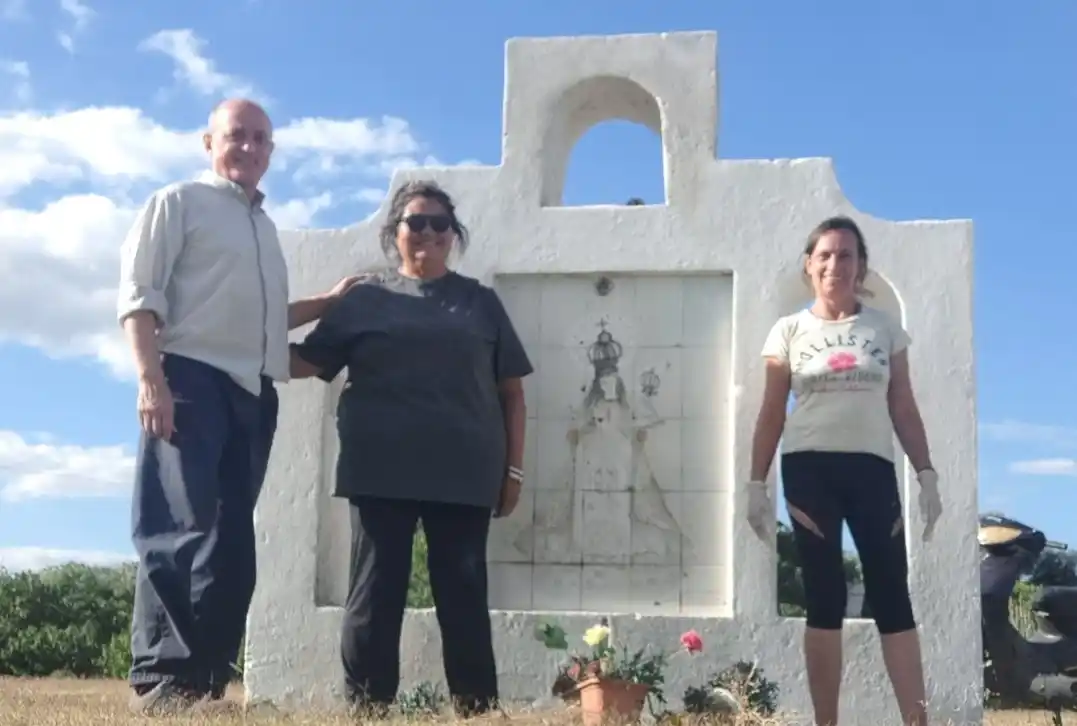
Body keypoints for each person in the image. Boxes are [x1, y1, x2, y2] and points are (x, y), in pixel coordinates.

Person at [116, 98, 360, 715]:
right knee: (177, 529)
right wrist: (151, 380)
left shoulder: (264, 230)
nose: (249, 147)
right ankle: (160, 680)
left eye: (261, 139)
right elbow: (140, 296)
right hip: (189, 381)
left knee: (230, 545)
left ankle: (205, 684)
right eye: (237, 136)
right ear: (208, 141)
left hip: (253, 393)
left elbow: (263, 323)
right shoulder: (177, 203)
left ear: (271, 152)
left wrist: (327, 303)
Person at [289, 180, 533, 717]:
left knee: (463, 598)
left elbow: (512, 392)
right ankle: (370, 709)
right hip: (380, 471)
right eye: (415, 223)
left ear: (454, 236)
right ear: (394, 233)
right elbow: (302, 362)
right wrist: (231, 343)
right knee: (375, 598)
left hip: (465, 473)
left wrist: (513, 472)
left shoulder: (481, 303)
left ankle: (477, 710)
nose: (427, 233)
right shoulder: (365, 301)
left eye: (439, 224)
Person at [745, 215, 943, 726]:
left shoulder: (883, 327)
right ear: (810, 266)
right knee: (824, 594)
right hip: (809, 468)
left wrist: (926, 473)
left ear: (861, 267)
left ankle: (916, 721)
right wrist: (755, 483)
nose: (836, 264)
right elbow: (771, 411)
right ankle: (826, 723)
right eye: (825, 255)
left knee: (890, 593)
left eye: (847, 255)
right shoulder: (788, 330)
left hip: (873, 470)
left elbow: (903, 404)